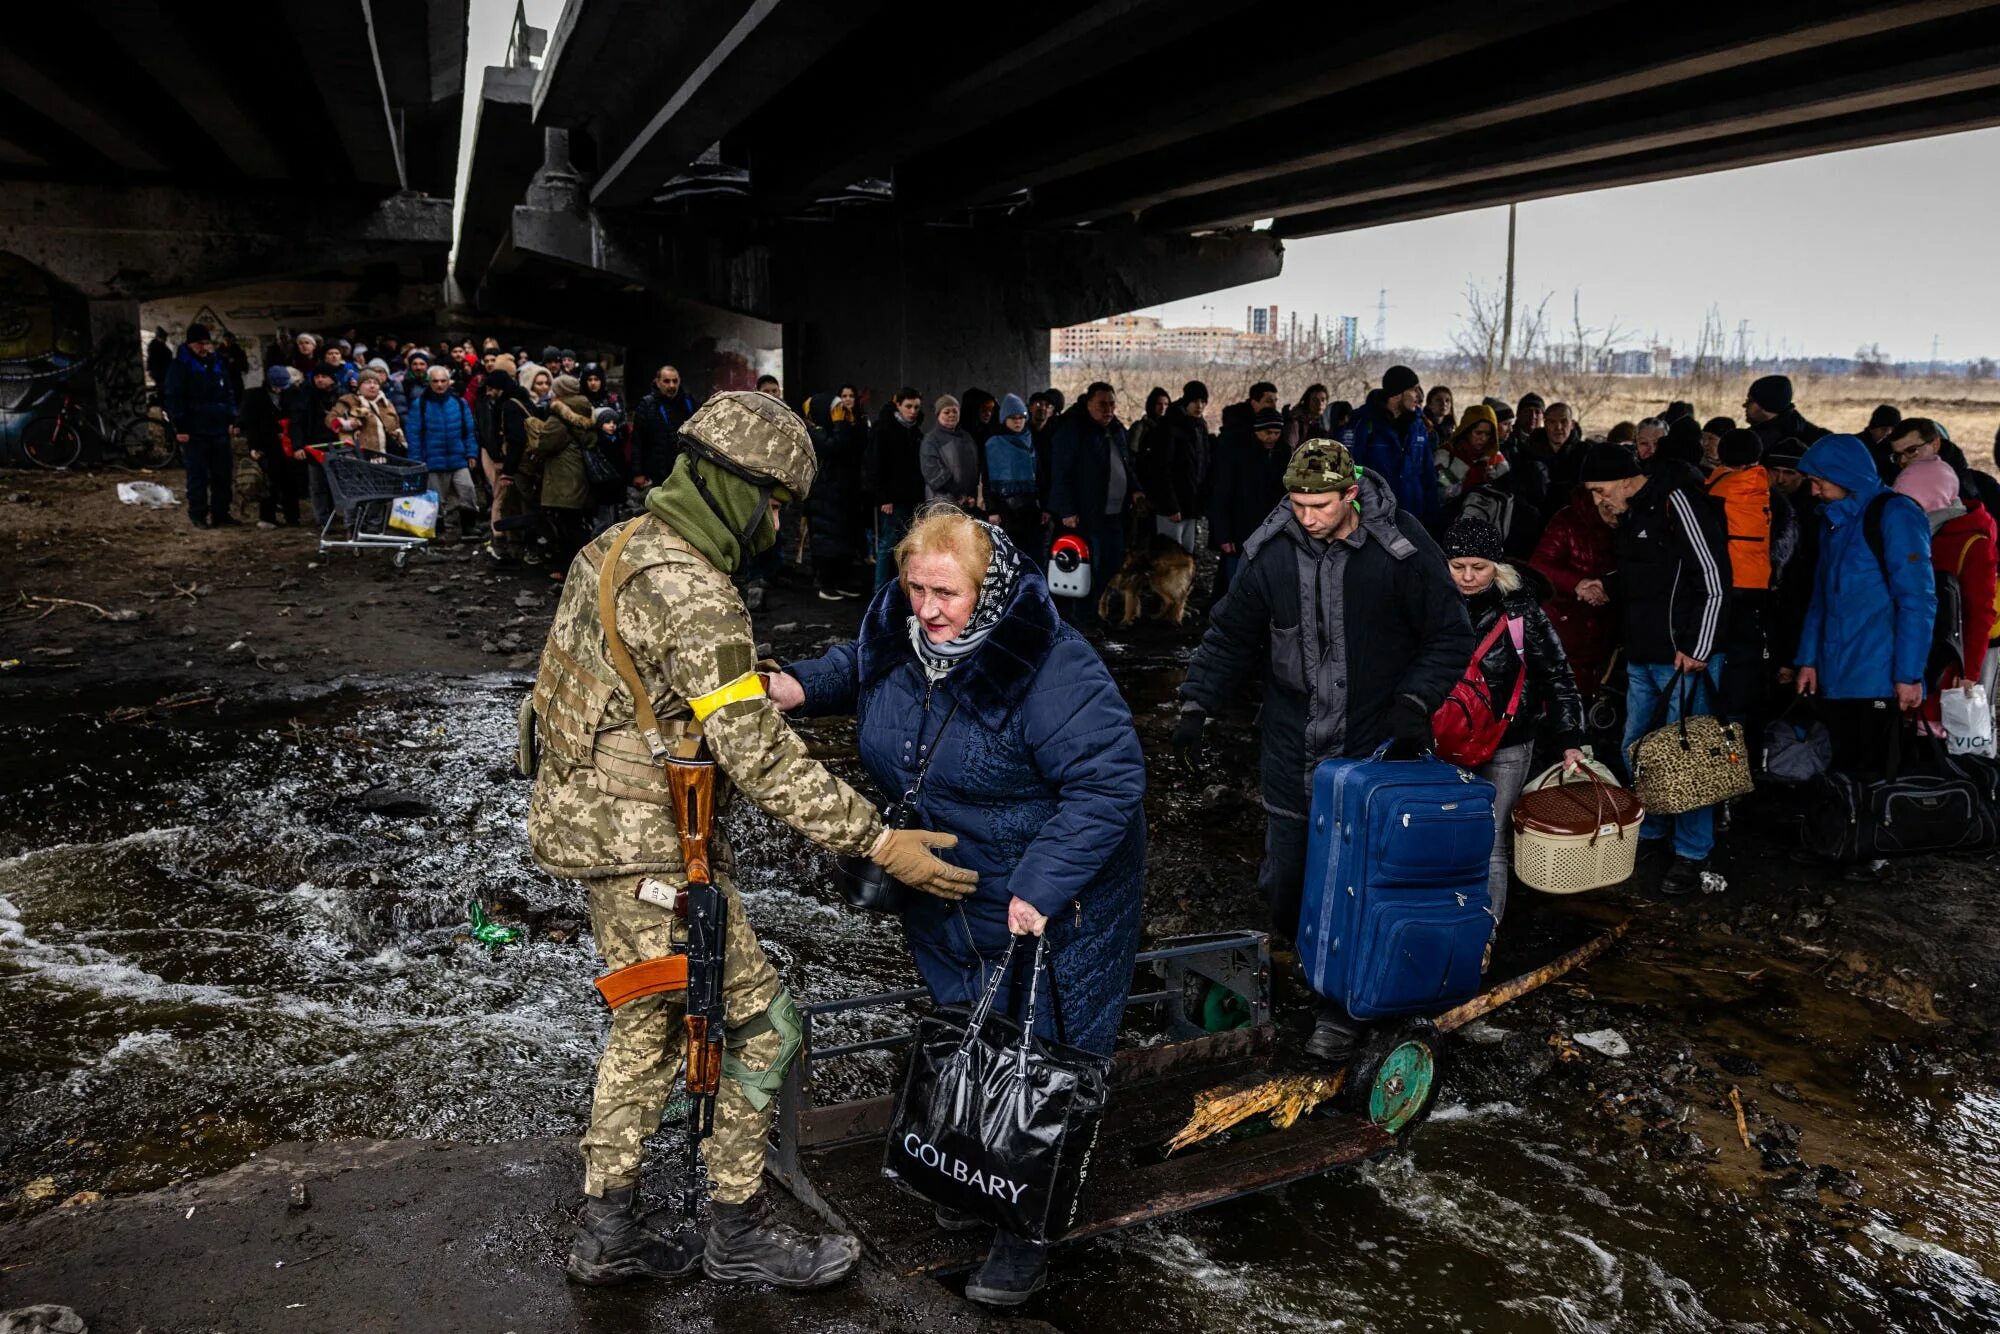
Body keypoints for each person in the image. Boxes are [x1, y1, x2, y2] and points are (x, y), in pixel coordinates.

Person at [526, 392, 971, 1291]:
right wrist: (880, 842)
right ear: (736, 488)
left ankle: (609, 1228)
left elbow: (566, 702)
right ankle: (738, 1228)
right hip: (648, 849)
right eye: (772, 504)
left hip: (598, 834)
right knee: (767, 1028)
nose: (776, 525)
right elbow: (758, 757)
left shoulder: (615, 547)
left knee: (648, 1026)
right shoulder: (693, 588)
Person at [773, 505, 1145, 1305]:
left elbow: (1109, 783)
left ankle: (1026, 1231)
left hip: (1050, 900)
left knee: (1039, 1053)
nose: (928, 609)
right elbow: (862, 665)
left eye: (947, 592)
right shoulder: (902, 628)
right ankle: (976, 1177)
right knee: (968, 1030)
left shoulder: (1050, 665)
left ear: (993, 586)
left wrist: (1041, 887)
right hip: (944, 884)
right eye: (916, 589)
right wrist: (801, 684)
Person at [1172, 441, 1473, 1061]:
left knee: (1360, 882)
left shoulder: (1402, 550)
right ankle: (1303, 968)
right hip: (1292, 748)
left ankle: (1344, 1008)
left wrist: (1416, 703)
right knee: (1288, 879)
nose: (1307, 516)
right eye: (1298, 503)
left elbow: (1450, 634)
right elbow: (1229, 634)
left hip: (1374, 750)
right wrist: (1196, 704)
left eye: (1320, 505)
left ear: (1351, 495)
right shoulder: (1271, 553)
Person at [1580, 443, 1731, 894]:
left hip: (1684, 659)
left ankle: (1691, 853)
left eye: (1600, 489)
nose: (1598, 499)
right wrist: (1605, 585)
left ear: (1627, 479)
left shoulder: (1676, 501)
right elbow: (1646, 574)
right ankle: (1652, 833)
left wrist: (1699, 647)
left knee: (1688, 758)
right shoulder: (1633, 513)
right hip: (1643, 655)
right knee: (1637, 749)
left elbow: (1714, 578)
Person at [1441, 517, 1585, 926]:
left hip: (1508, 740)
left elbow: (1557, 674)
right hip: (1444, 739)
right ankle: (1442, 926)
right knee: (1442, 832)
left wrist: (1570, 738)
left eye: (1479, 567)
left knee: (1490, 841)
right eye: (1458, 566)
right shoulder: (1428, 602)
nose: (1468, 577)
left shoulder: (1523, 611)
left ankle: (1482, 935)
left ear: (1497, 567)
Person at [1793, 434, 1937, 770]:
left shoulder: (1896, 514)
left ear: (1844, 476)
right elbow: (1821, 598)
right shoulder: (1834, 520)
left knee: (1874, 773)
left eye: (1818, 482)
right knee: (1843, 774)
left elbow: (1917, 600)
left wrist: (1909, 675)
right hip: (1836, 674)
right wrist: (1808, 660)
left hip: (1879, 676)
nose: (1813, 491)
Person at [1895, 457, 1998, 728]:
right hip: (1909, 660)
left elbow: (1980, 612)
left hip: (1947, 666)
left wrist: (1969, 672)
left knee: (1937, 741)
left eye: (1911, 501)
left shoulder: (1972, 542)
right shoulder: (1913, 533)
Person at [1705, 429, 1787, 722]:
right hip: (1758, 586)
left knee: (1719, 666)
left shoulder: (1718, 490)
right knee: (1745, 664)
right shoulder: (1763, 487)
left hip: (1725, 586)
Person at [1048, 382, 1138, 629]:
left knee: (1112, 561)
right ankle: (1081, 618)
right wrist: (1066, 510)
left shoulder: (1117, 430)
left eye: (1111, 404)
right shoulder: (1073, 430)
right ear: (1088, 404)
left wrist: (1135, 489)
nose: (1108, 409)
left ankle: (1093, 610)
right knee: (1087, 566)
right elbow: (1061, 472)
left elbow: (1125, 464)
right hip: (1085, 513)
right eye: (1102, 404)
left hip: (1115, 513)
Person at [1529, 484, 1617, 703]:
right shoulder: (1568, 521)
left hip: (1607, 624)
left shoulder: (1630, 520)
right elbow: (1539, 565)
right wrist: (1578, 584)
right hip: (1565, 619)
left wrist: (1609, 587)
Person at [163, 322, 241, 529]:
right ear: (190, 344)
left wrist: (232, 419)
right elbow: (174, 398)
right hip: (194, 429)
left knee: (222, 474)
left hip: (218, 427)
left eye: (207, 343)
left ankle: (221, 513)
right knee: (197, 476)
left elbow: (229, 392)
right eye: (200, 343)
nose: (204, 348)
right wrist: (180, 428)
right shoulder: (180, 366)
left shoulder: (217, 363)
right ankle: (198, 515)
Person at [1208, 405, 1291, 597]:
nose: (1272, 437)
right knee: (1237, 583)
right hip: (1240, 530)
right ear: (1257, 431)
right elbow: (1222, 497)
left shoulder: (1284, 454)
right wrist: (1225, 535)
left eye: (1276, 433)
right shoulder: (1237, 455)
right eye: (1267, 432)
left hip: (1271, 529)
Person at [1341, 365, 1437, 529]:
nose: (1419, 397)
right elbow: (1350, 475)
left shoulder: (1419, 427)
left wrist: (1434, 520)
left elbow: (1428, 477)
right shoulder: (1364, 424)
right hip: (1375, 521)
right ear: (1397, 393)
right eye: (1414, 390)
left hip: (1414, 520)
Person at [801, 387, 868, 600]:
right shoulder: (815, 431)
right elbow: (835, 447)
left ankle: (840, 581)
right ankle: (825, 583)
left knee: (841, 539)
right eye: (835, 409)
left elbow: (857, 445)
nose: (840, 412)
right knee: (826, 541)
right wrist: (840, 424)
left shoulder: (837, 429)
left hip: (840, 495)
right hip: (823, 496)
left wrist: (849, 422)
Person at [406, 364, 483, 542]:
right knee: (434, 499)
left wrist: (472, 453)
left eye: (443, 381)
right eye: (435, 381)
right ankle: (437, 531)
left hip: (458, 457)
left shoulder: (459, 403)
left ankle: (469, 527)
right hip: (432, 459)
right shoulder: (420, 404)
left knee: (468, 491)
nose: (439, 385)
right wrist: (417, 461)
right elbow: (414, 434)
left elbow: (468, 431)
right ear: (429, 383)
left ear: (449, 382)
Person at [870, 388, 927, 588]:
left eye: (916, 407)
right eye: (908, 406)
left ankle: (898, 590)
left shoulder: (916, 432)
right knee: (888, 546)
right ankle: (880, 592)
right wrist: (883, 497)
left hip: (912, 498)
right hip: (893, 500)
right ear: (898, 406)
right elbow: (875, 465)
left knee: (906, 547)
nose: (912, 411)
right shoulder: (884, 430)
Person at [1144, 382, 1209, 555]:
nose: (1199, 406)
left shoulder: (1200, 426)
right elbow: (1160, 469)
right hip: (1173, 506)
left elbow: (1202, 465)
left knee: (1186, 556)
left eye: (1203, 401)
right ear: (1186, 401)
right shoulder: (1169, 426)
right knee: (1169, 559)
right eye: (1195, 401)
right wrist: (1170, 505)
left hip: (1191, 504)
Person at [240, 365, 305, 529]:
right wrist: (254, 446)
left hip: (288, 443)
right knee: (269, 482)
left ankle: (293, 517)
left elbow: (297, 417)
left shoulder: (292, 394)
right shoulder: (255, 396)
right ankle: (267, 517)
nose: (279, 390)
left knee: (290, 481)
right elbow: (251, 424)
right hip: (267, 444)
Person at [981, 393, 1043, 563]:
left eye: (1021, 417)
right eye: (1013, 417)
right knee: (1009, 558)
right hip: (1006, 510)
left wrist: (1043, 506)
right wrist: (992, 510)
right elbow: (987, 479)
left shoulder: (1031, 439)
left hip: (1030, 509)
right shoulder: (994, 443)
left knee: (1032, 556)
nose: (1017, 422)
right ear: (1004, 419)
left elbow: (1039, 475)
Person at [633, 365, 696, 490]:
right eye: (666, 381)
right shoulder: (647, 405)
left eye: (675, 381)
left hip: (685, 470)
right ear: (658, 382)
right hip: (657, 472)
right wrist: (637, 473)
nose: (672, 385)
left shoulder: (689, 402)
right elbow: (637, 441)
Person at [1436, 403, 1509, 506]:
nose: (1483, 438)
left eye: (1488, 434)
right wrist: (1472, 480)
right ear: (1466, 431)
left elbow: (1507, 493)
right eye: (1478, 433)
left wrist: (1493, 481)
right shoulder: (1445, 455)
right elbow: (1444, 492)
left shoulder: (1496, 458)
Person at [1744, 374, 1826, 459]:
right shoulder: (1810, 433)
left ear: (1766, 405)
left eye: (1750, 400)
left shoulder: (1755, 442)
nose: (1744, 405)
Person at [920, 394, 979, 508]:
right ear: (938, 415)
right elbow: (933, 474)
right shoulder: (931, 440)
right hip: (942, 504)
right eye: (947, 412)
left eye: (955, 411)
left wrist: (971, 494)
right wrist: (958, 494)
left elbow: (974, 469)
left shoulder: (967, 438)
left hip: (967, 503)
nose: (951, 415)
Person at [329, 369, 406, 455]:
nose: (372, 386)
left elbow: (397, 426)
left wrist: (402, 443)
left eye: (376, 383)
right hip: (361, 458)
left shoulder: (387, 404)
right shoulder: (349, 401)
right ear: (359, 385)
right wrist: (346, 424)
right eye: (368, 382)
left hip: (390, 457)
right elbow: (330, 419)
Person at [1285, 384, 1331, 453]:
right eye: (1315, 400)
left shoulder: (1326, 422)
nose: (1319, 404)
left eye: (1323, 400)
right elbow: (1289, 449)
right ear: (1308, 401)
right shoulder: (1296, 422)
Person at [1861, 403, 1902, 479]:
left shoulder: (1892, 447)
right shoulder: (1856, 444)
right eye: (1884, 429)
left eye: (1893, 430)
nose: (1888, 433)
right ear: (1872, 427)